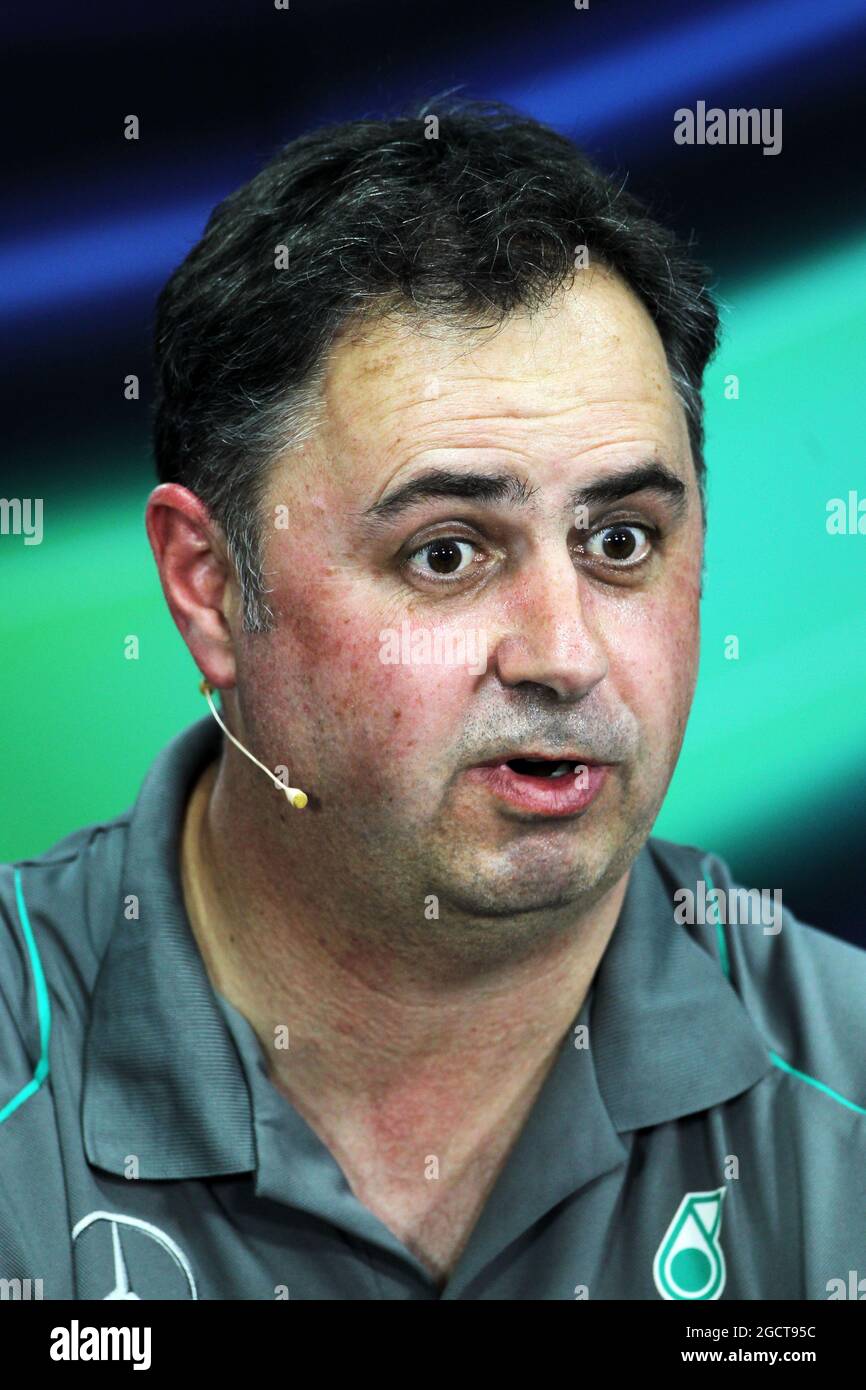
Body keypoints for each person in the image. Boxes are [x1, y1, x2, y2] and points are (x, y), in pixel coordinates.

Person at [2, 99, 864, 1302]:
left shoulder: (844, 1085)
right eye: (447, 553)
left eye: (619, 538)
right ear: (208, 589)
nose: (565, 655)